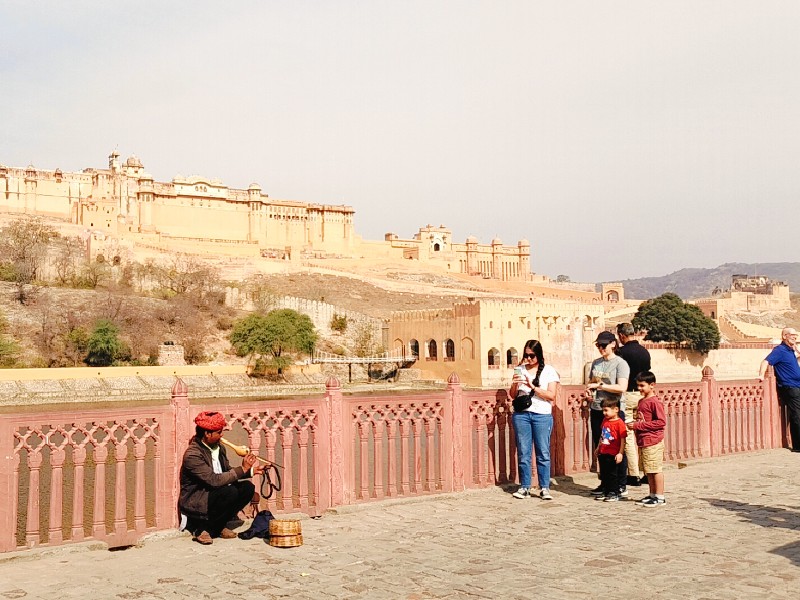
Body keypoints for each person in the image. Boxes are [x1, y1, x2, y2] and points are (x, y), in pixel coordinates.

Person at [179, 411, 264, 544]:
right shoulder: (193, 455)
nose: (222, 435)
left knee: (247, 488)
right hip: (198, 497)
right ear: (207, 434)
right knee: (229, 491)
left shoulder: (220, 448)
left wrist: (251, 471)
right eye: (219, 432)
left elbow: (227, 472)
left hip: (216, 493)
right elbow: (214, 480)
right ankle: (202, 529)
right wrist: (243, 468)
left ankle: (218, 526)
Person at [509, 339, 560, 500]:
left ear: (538, 355)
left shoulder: (549, 371)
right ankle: (525, 486)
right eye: (526, 355)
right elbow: (512, 395)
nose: (528, 359)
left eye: (532, 355)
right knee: (523, 452)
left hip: (542, 415)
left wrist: (533, 387)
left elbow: (551, 395)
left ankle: (544, 487)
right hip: (522, 415)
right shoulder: (520, 369)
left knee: (543, 452)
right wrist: (516, 385)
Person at [585, 331, 630, 495]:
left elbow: (622, 388)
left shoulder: (620, 364)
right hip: (598, 409)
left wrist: (601, 387)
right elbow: (591, 383)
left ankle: (620, 484)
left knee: (617, 447)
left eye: (603, 345)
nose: (600, 348)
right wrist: (589, 392)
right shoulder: (596, 364)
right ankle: (605, 482)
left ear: (613, 344)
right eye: (598, 345)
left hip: (615, 412)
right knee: (602, 448)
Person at [615, 322, 652, 485]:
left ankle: (633, 473)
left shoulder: (622, 353)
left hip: (628, 394)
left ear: (622, 335)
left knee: (628, 434)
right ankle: (646, 472)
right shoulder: (645, 352)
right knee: (643, 433)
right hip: (643, 395)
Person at [627, 371, 666, 506]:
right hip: (643, 440)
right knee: (648, 469)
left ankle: (660, 496)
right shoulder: (641, 401)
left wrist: (639, 425)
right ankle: (652, 494)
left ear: (652, 385)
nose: (639, 389)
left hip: (653, 440)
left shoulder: (655, 402)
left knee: (655, 469)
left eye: (642, 386)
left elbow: (661, 422)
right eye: (638, 385)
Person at [758, 328, 800, 452]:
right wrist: (761, 374)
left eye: (796, 336)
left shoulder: (790, 350)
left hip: (797, 385)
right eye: (792, 335)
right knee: (797, 415)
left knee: (795, 416)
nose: (795, 338)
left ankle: (797, 445)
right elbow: (766, 361)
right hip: (789, 387)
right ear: (785, 336)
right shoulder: (780, 350)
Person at [594, 397, 627, 502]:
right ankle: (606, 490)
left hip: (613, 452)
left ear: (616, 409)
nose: (604, 413)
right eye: (603, 410)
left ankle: (614, 492)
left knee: (613, 474)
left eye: (606, 410)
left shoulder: (619, 423)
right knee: (604, 473)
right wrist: (598, 447)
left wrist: (620, 453)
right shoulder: (605, 421)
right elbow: (602, 435)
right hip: (604, 451)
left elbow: (623, 439)